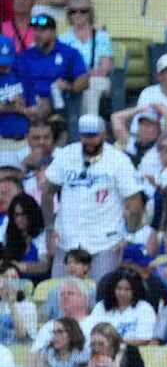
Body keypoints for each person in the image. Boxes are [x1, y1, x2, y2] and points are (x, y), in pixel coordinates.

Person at [40, 113, 140, 280]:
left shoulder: (118, 160)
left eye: (94, 135)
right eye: (85, 135)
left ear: (103, 134)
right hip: (68, 240)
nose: (89, 140)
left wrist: (129, 236)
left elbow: (134, 201)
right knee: (59, 293)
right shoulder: (66, 155)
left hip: (105, 242)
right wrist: (50, 229)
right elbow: (47, 192)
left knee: (101, 295)